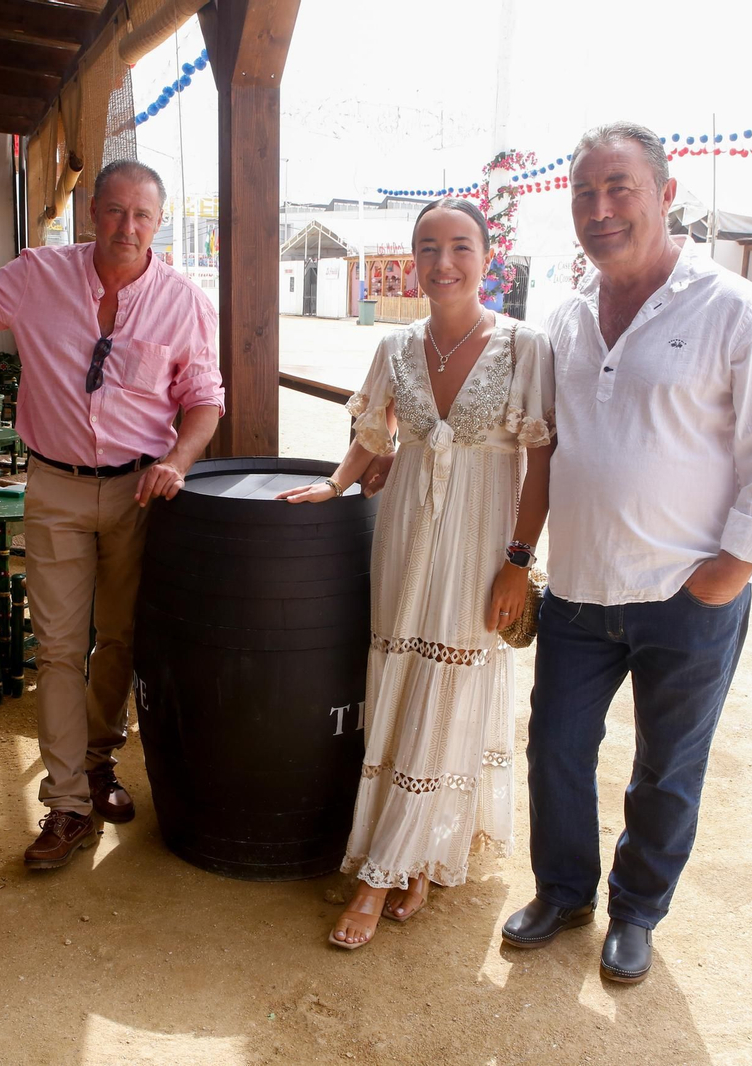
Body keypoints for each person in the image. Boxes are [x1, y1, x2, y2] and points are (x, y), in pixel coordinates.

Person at [500, 122, 752, 983]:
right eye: (584, 195)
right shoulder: (564, 318)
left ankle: (637, 913)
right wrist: (522, 556)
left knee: (666, 769)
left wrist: (729, 573)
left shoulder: (731, 308)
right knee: (554, 749)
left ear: (666, 195)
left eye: (619, 189)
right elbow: (544, 445)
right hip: (580, 592)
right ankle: (563, 892)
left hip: (686, 595)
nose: (600, 211)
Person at [278, 197, 555, 950]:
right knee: (401, 683)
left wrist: (518, 565)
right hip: (405, 532)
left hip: (481, 540)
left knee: (452, 682)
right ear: (411, 260)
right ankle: (423, 848)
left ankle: (380, 872)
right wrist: (336, 485)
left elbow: (541, 464)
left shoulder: (526, 346)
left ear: (486, 257)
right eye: (427, 247)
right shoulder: (397, 346)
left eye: (460, 246)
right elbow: (373, 433)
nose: (443, 262)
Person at [0, 161, 223, 868]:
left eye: (140, 215)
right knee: (59, 648)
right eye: (113, 211)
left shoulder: (184, 300)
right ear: (90, 214)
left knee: (122, 642)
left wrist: (179, 462)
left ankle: (100, 761)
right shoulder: (36, 275)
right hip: (57, 489)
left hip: (140, 491)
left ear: (158, 223)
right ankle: (66, 803)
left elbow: (204, 399)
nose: (125, 227)